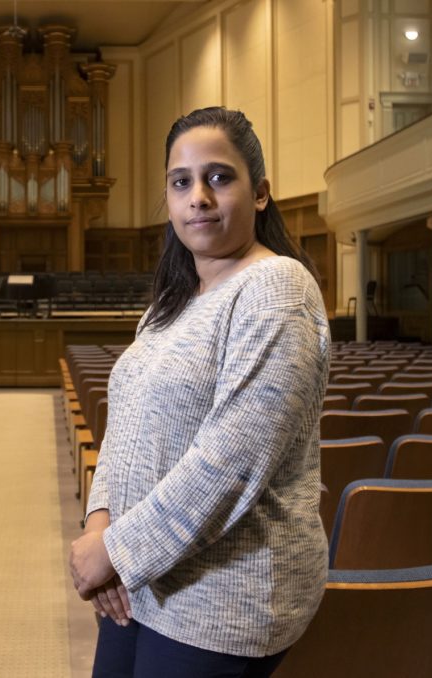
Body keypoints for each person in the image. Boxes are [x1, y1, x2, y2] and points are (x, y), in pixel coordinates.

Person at [68, 106, 330, 677]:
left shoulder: (277, 288)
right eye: (181, 181)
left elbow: (230, 462)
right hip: (145, 579)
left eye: (218, 177)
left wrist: (115, 552)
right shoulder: (170, 306)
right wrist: (100, 523)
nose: (198, 197)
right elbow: (124, 429)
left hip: (223, 598)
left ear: (259, 193)